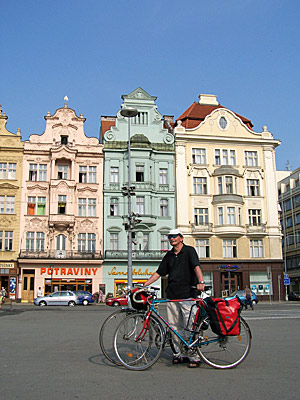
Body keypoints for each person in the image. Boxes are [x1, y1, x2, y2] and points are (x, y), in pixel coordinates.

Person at [143, 228, 205, 368]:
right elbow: (159, 273)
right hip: (172, 295)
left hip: (188, 294)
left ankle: (194, 356)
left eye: (174, 236)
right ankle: (179, 354)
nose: (171, 238)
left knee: (189, 326)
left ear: (181, 237)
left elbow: (196, 267)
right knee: (174, 326)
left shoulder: (189, 251)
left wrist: (200, 282)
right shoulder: (169, 256)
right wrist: (144, 285)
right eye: (170, 236)